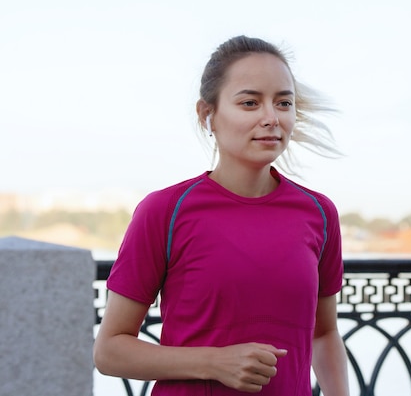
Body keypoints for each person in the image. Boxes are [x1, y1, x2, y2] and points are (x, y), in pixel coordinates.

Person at [93, 35, 350, 396]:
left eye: (284, 103)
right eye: (250, 103)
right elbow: (109, 351)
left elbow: (324, 334)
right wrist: (214, 362)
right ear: (207, 114)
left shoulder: (319, 213)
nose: (271, 118)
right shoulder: (164, 211)